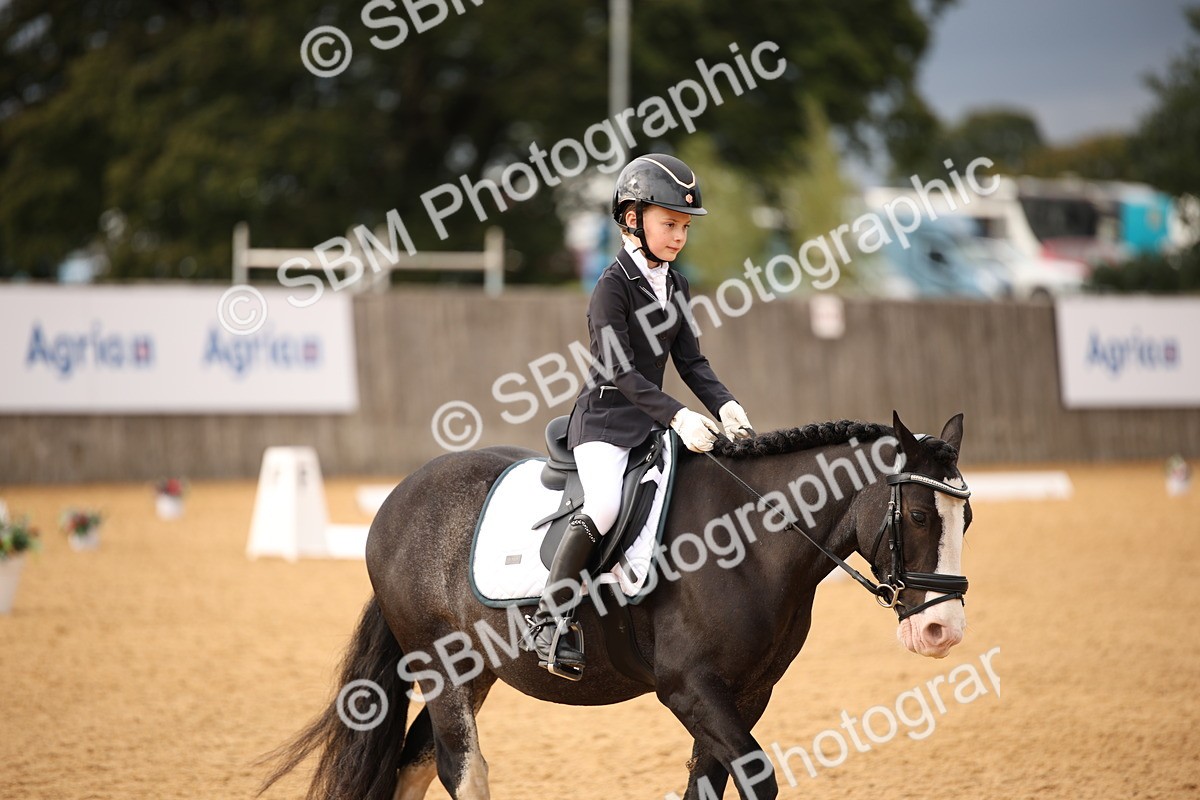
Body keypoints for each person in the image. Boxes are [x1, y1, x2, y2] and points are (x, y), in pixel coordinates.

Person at [526, 153, 754, 676]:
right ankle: (549, 619)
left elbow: (691, 362)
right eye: (669, 224)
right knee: (605, 505)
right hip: (604, 423)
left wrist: (727, 406)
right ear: (633, 218)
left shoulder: (676, 285)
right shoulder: (612, 286)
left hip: (651, 425)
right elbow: (620, 370)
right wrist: (678, 416)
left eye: (685, 227)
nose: (679, 237)